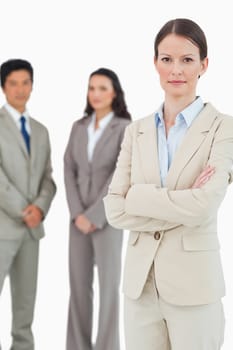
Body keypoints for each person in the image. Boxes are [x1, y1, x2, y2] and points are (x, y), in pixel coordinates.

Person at [104, 18, 233, 350]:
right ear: (155, 63)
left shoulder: (224, 128)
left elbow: (205, 206)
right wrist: (183, 201)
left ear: (204, 64)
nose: (176, 69)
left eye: (187, 60)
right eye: (167, 59)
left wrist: (140, 198)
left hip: (194, 290)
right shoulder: (136, 131)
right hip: (140, 290)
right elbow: (115, 209)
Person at [64, 67, 131, 350]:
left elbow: (121, 173)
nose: (96, 94)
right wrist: (78, 213)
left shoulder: (124, 127)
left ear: (114, 92)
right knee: (78, 290)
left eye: (102, 88)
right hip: (77, 221)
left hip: (108, 220)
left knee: (108, 290)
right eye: (92, 88)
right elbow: (69, 169)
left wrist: (94, 215)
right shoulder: (79, 127)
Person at [0, 59, 56, 350]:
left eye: (25, 83)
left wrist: (40, 208)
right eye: (13, 83)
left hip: (31, 231)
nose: (20, 89)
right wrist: (24, 209)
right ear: (3, 87)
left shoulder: (41, 130)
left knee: (25, 308)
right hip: (3, 227)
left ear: (32, 85)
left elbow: (48, 178)